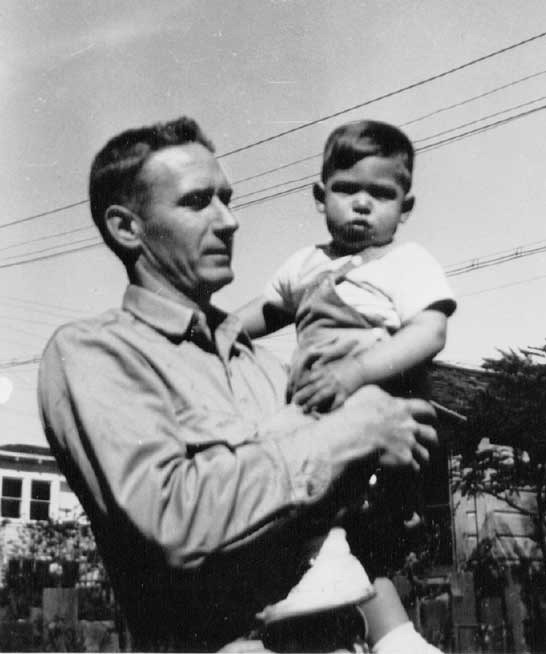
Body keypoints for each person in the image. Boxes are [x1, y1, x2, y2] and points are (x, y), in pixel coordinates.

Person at [38, 116, 440, 652]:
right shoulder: (97, 352)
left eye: (226, 199)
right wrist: (349, 435)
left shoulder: (269, 368)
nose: (229, 221)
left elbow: (344, 529)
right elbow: (171, 521)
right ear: (126, 228)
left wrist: (387, 481)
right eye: (197, 202)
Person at [237, 120, 456, 644]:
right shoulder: (305, 264)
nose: (362, 204)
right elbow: (265, 311)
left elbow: (430, 331)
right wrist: (216, 329)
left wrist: (356, 371)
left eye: (381, 194)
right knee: (333, 521)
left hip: (372, 402)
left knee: (275, 469)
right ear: (320, 196)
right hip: (315, 406)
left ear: (405, 207)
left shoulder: (406, 262)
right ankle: (396, 637)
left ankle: (328, 561)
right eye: (347, 189)